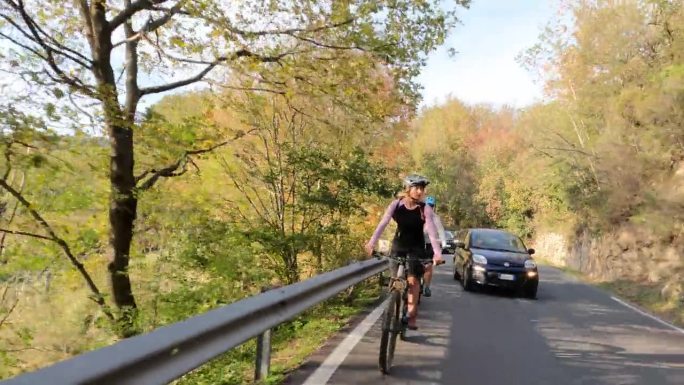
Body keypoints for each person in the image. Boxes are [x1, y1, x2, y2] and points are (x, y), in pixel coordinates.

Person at [365, 174, 444, 330]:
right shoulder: (396, 205)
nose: (420, 192)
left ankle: (411, 314)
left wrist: (437, 253)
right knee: (395, 281)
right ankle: (392, 307)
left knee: (413, 281)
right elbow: (383, 223)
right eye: (417, 188)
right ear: (408, 189)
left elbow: (433, 234)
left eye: (422, 189)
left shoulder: (425, 209)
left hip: (416, 247)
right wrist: (371, 242)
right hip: (399, 245)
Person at [422, 196, 446, 297]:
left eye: (431, 206)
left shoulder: (435, 218)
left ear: (433, 207)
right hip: (417, 243)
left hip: (429, 245)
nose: (430, 207)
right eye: (428, 205)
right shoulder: (419, 215)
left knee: (428, 266)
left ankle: (426, 287)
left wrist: (443, 242)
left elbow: (440, 231)